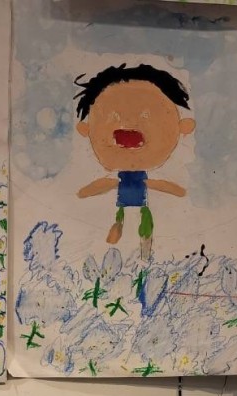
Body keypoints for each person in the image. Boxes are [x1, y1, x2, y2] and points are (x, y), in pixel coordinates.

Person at [74, 63, 196, 260]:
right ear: (85, 129)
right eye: (113, 116)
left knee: (144, 224)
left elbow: (163, 187)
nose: (128, 127)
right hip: (122, 208)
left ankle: (142, 251)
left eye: (146, 115)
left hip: (143, 208)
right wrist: (88, 190)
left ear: (183, 127)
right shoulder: (119, 179)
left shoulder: (145, 182)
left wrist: (176, 190)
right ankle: (120, 234)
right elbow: (101, 186)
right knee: (121, 221)